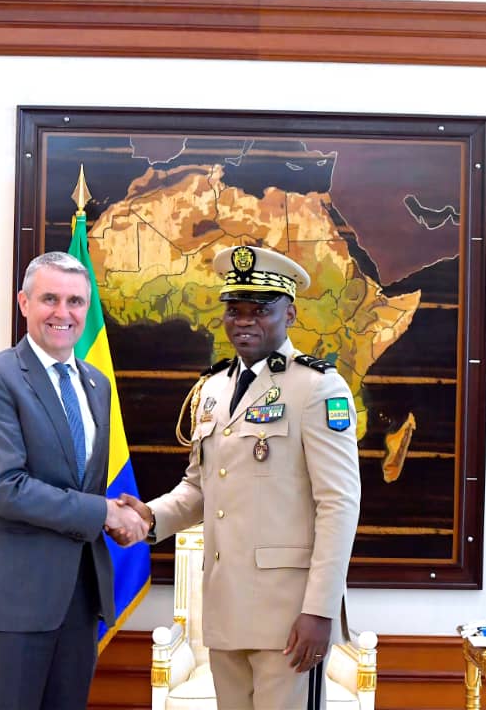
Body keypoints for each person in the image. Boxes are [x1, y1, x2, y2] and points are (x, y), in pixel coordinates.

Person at [115, 244, 361, 709]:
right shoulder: (213, 388)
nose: (244, 321)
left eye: (260, 310)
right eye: (235, 309)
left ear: (290, 313)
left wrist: (320, 610)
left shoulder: (317, 387)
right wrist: (149, 517)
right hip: (226, 610)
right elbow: (199, 486)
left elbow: (339, 504)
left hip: (290, 618)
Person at [0, 251, 149, 710]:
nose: (64, 312)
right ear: (24, 303)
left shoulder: (96, 383)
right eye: (50, 299)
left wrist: (121, 515)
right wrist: (103, 512)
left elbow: (83, 484)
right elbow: (6, 488)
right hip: (9, 601)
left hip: (79, 599)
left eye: (75, 301)